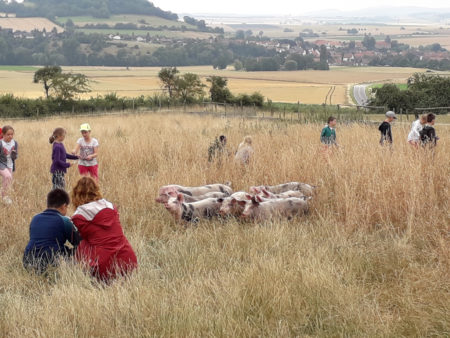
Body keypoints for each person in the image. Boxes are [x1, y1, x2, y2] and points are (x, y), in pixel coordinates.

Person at [71, 177, 138, 282]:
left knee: (82, 245)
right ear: (96, 190)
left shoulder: (79, 215)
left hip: (102, 265)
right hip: (128, 259)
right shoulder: (111, 207)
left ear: (76, 194)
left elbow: (80, 237)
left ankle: (82, 276)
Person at [23, 189, 81, 275]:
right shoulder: (64, 220)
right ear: (64, 206)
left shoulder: (35, 218)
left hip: (28, 260)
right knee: (81, 249)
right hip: (51, 262)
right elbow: (79, 243)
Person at [0, 125, 18, 204]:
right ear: (3, 134)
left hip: (10, 165)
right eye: (8, 134)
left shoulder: (15, 143)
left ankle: (3, 196)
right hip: (1, 164)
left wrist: (14, 155)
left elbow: (16, 156)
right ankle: (4, 197)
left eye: (12, 134)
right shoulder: (1, 143)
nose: (10, 136)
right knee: (8, 176)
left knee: (7, 181)